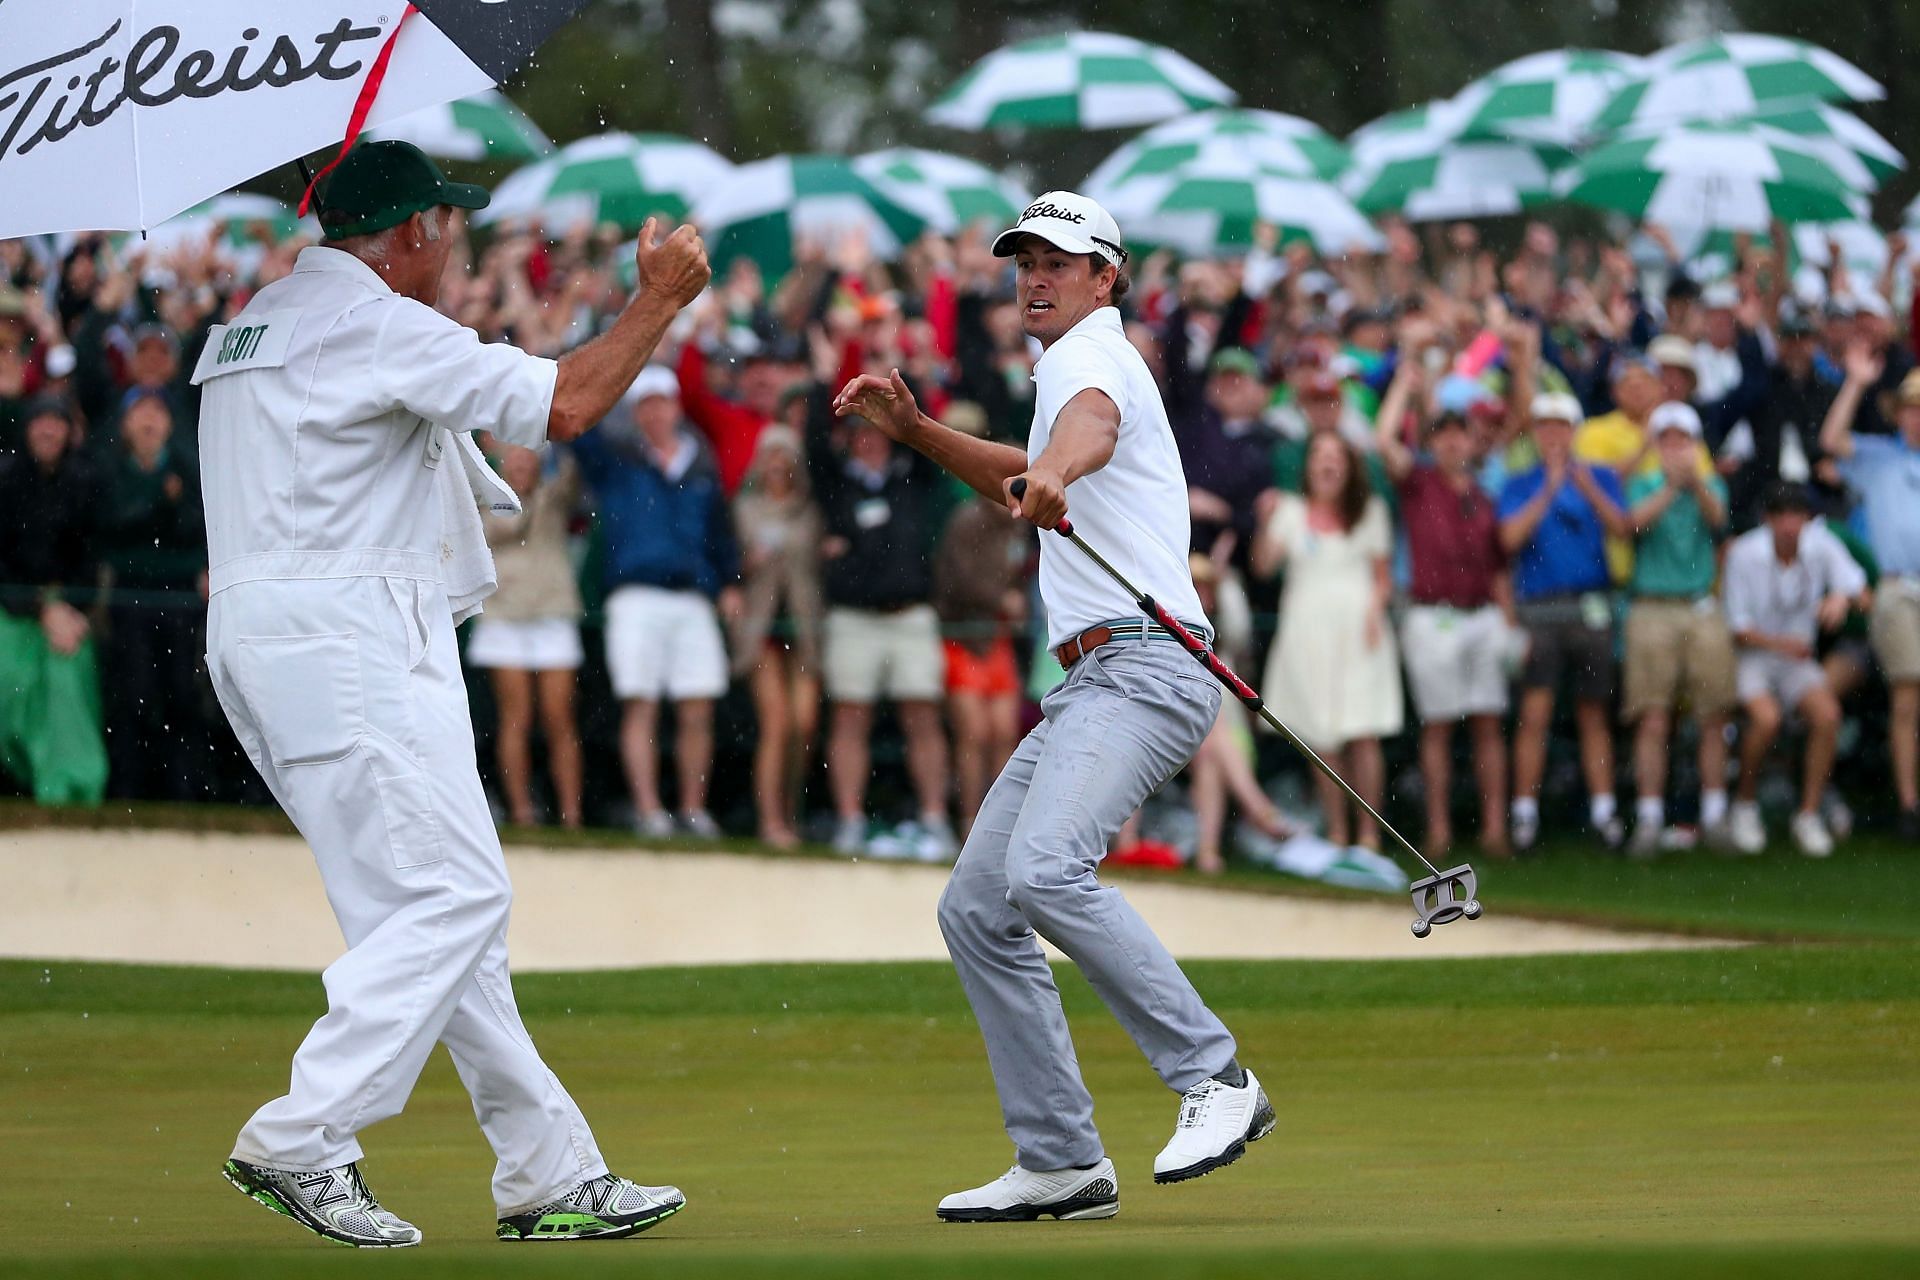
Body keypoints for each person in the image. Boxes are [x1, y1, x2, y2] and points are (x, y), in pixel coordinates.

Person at [194, 141, 709, 1247]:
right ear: (415, 233)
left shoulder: (251, 322)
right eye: (452, 222)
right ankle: (303, 1131)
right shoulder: (373, 323)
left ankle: (549, 1169)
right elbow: (566, 405)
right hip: (347, 633)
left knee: (439, 919)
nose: (461, 242)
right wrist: (654, 301)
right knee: (454, 900)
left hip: (272, 633)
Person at [834, 192, 1271, 1222]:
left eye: (1059, 262)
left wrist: (1057, 471)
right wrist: (922, 429)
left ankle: (1217, 1077)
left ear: (1105, 277)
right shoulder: (1067, 362)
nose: (1036, 275)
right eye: (1024, 259)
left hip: (1144, 664)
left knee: (1041, 868)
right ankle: (1063, 1157)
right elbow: (1022, 474)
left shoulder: (1093, 359)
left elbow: (1087, 435)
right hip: (1090, 679)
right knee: (978, 905)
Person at [574, 366, 742, 840]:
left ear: (675, 407)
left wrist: (730, 581)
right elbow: (577, 431)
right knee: (641, 703)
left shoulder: (700, 463)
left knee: (697, 707)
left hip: (692, 598)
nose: (654, 413)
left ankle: (692, 810)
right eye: (644, 404)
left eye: (661, 402)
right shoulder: (618, 462)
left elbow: (720, 532)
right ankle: (650, 811)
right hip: (636, 596)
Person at [803, 372, 954, 861]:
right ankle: (849, 819)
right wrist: (824, 379)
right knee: (850, 718)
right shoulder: (837, 482)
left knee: (923, 718)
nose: (867, 439)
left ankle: (933, 819)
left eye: (875, 427)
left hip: (910, 614)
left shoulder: (912, 475)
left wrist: (909, 369)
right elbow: (812, 439)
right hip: (853, 617)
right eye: (859, 429)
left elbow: (928, 428)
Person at [1374, 361, 1514, 856]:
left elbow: (1498, 567)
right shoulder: (1420, 482)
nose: (1454, 444)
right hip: (1433, 615)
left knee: (1487, 722)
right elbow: (1383, 441)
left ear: (1473, 443)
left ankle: (1495, 828)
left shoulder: (1485, 494)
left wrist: (1510, 621)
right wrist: (1403, 384)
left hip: (1481, 614)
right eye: (1445, 436)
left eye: (1462, 436)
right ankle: (1439, 829)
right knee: (1437, 725)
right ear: (1434, 444)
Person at [1252, 431, 1403, 856]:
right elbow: (1264, 567)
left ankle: (1370, 834)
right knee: (1320, 737)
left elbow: (1383, 578)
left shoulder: (1370, 512)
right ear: (1309, 467)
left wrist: (1375, 610)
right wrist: (1264, 522)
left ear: (1349, 467)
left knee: (1363, 732)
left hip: (1359, 634)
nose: (1327, 463)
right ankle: (1338, 829)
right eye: (1320, 455)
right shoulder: (1291, 511)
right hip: (1306, 634)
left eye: (1336, 455)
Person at [1499, 391, 1631, 850]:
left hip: (1590, 604)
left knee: (1593, 712)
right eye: (1544, 427)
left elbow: (1621, 528)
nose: (1552, 435)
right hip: (1539, 609)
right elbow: (1509, 538)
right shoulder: (1521, 482)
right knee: (1534, 713)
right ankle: (1524, 816)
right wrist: (1550, 487)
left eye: (1560, 427)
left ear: (1574, 432)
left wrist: (1583, 484)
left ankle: (1603, 813)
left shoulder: (1601, 476)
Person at [1721, 483, 1869, 856]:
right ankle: (1745, 804)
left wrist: (1839, 597)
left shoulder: (1821, 544)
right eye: (1782, 517)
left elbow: (1861, 592)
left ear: (1807, 519)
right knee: (1766, 720)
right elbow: (1738, 631)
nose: (1790, 526)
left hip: (1797, 662)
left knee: (1828, 716)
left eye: (1797, 517)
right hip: (1754, 658)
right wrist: (1783, 644)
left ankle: (1808, 813)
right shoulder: (1744, 553)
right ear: (1767, 520)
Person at [1620, 402, 1736, 856]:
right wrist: (1671, 487)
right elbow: (1633, 524)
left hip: (1700, 605)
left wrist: (1693, 484)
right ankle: (1649, 818)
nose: (1674, 448)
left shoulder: (1710, 486)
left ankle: (1713, 815)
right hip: (1651, 607)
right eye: (1666, 440)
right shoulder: (1643, 483)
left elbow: (1718, 520)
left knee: (1714, 715)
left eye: (1682, 441)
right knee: (1652, 715)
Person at [1821, 356, 1920, 839]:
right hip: (1897, 588)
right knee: (1909, 693)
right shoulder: (1879, 456)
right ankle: (1908, 806)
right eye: (1911, 409)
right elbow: (1831, 440)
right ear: (1899, 414)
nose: (1918, 416)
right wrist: (1856, 383)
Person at [96, 390, 209, 802]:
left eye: (157, 412)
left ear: (169, 424)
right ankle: (128, 796)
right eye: (139, 412)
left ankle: (184, 797)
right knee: (131, 700)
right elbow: (111, 535)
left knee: (181, 697)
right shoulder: (108, 473)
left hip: (178, 604)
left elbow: (195, 535)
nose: (148, 421)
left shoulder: (189, 472)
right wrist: (160, 505)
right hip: (129, 604)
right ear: (125, 424)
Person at [466, 445, 585, 830]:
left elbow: (573, 469)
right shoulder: (485, 501)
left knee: (559, 719)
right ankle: (522, 812)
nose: (520, 469)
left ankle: (572, 815)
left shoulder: (554, 496)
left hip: (551, 613)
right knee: (515, 718)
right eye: (513, 462)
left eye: (527, 462)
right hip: (504, 615)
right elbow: (500, 530)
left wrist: (551, 443)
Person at [0, 397, 107, 806]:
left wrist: (66, 609)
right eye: (39, 421)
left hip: (68, 610)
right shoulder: (5, 479)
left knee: (67, 679)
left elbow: (90, 559)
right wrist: (39, 607)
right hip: (12, 607)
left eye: (56, 422)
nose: (47, 430)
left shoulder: (85, 482)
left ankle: (70, 786)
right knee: (12, 678)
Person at [730, 424, 824, 850]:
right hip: (763, 627)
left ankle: (792, 810)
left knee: (804, 724)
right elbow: (731, 563)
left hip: (802, 626)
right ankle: (771, 820)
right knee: (777, 722)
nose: (777, 464)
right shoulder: (744, 509)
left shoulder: (810, 512)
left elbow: (816, 562)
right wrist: (745, 566)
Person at [933, 490, 1029, 835]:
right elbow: (957, 580)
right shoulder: (967, 520)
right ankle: (970, 821)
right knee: (973, 733)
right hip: (963, 636)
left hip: (997, 637)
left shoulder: (1016, 527)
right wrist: (1002, 599)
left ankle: (999, 823)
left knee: (1004, 732)